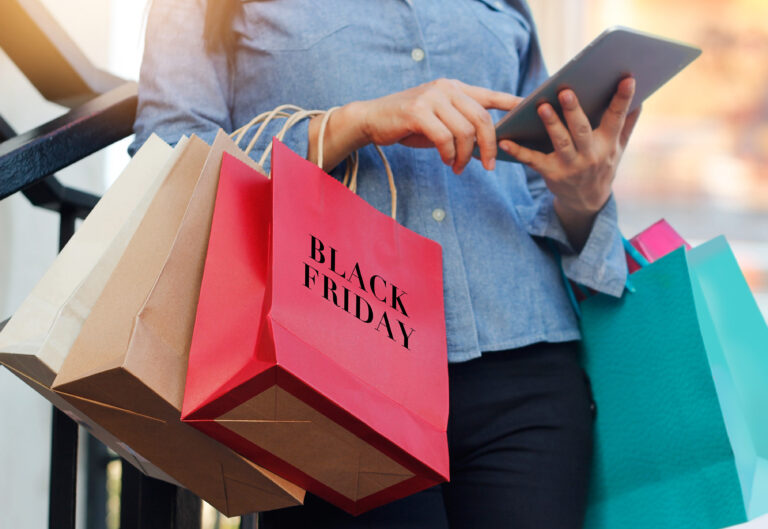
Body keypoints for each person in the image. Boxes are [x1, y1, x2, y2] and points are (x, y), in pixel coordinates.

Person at [130, 1, 640, 527]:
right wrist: (353, 124)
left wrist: (584, 193)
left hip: (527, 365)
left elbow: (536, 190)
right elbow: (169, 163)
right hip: (332, 372)